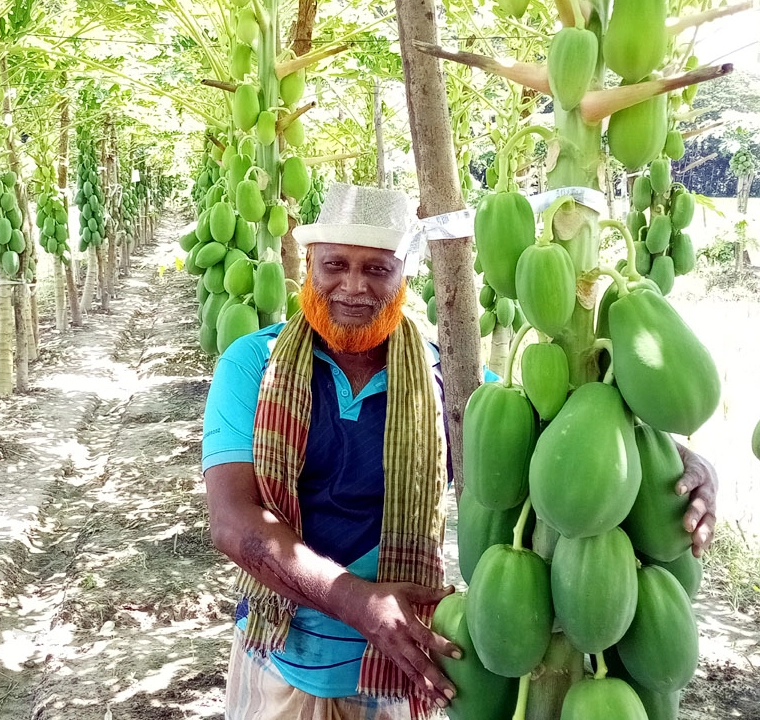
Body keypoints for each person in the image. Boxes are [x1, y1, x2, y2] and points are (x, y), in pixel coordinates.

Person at [201, 183, 718, 720]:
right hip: (283, 656)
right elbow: (234, 523)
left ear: (405, 278)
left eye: (378, 269)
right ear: (310, 264)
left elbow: (559, 431)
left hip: (405, 665)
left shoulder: (450, 377)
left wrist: (678, 457)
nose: (353, 285)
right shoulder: (251, 364)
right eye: (335, 264)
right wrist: (360, 603)